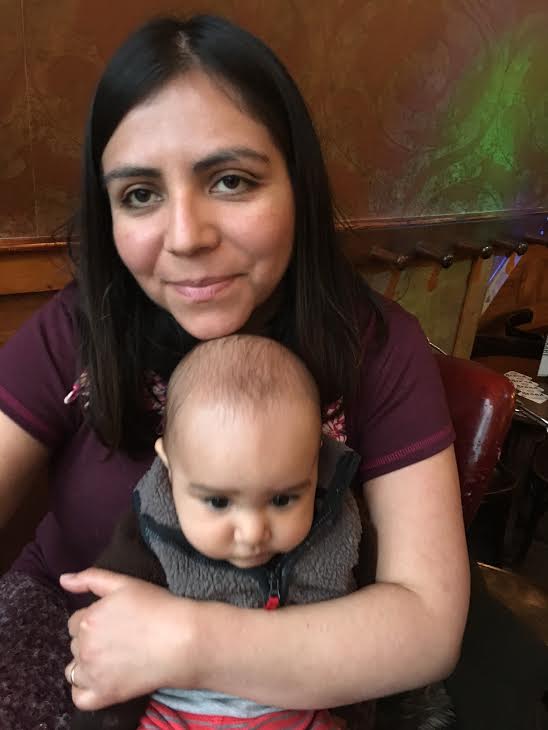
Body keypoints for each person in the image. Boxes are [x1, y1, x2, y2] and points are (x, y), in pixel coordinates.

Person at [0, 14, 469, 730]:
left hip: (286, 684)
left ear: (297, 184)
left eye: (230, 180)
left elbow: (427, 625)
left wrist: (185, 642)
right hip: (71, 656)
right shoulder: (79, 327)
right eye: (140, 194)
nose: (187, 237)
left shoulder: (374, 348)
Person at [72, 334, 363, 729]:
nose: (252, 532)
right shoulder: (149, 539)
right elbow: (108, 646)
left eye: (282, 500)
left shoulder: (339, 530)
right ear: (170, 470)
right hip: (172, 714)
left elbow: (370, 638)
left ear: (316, 464)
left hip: (295, 710)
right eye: (218, 502)